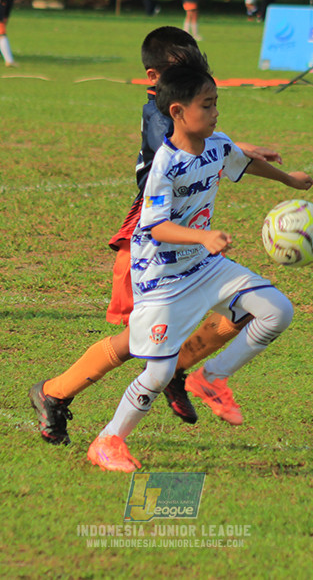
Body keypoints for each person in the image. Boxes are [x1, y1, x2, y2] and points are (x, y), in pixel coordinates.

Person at [28, 26, 283, 447]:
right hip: (148, 240)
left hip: (186, 240)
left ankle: (177, 373)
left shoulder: (184, 115)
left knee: (235, 311)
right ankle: (58, 393)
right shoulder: (159, 119)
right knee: (136, 342)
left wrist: (246, 151)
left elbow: (211, 145)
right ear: (158, 81)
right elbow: (176, 149)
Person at [86, 63, 313, 472]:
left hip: (202, 265)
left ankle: (210, 377)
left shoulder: (216, 144)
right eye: (207, 106)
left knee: (277, 310)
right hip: (162, 277)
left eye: (216, 104)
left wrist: (288, 181)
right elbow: (155, 226)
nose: (215, 113)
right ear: (177, 112)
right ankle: (107, 442)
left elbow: (241, 161)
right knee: (157, 375)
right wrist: (203, 237)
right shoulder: (166, 165)